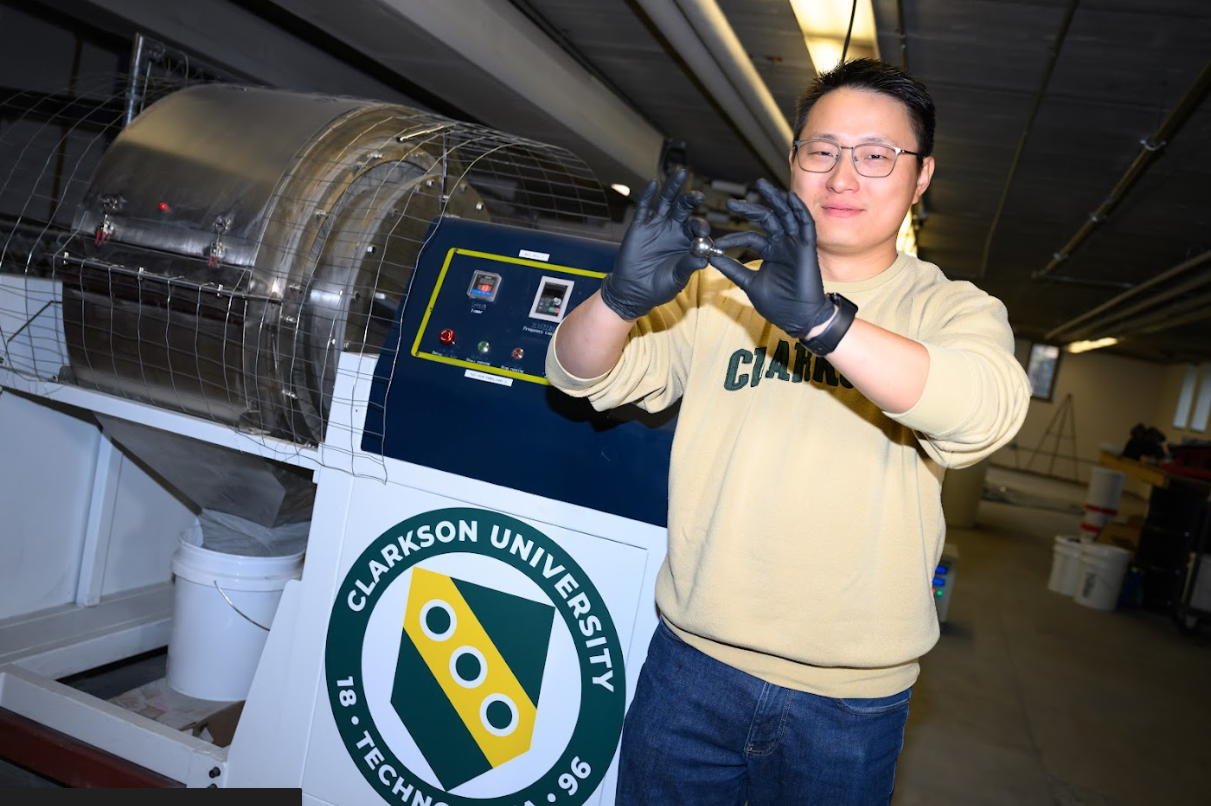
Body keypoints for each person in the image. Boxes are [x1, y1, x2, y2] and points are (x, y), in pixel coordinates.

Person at [545, 58, 1030, 806]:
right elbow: (576, 375)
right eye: (820, 151)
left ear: (921, 175)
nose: (842, 177)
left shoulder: (953, 309)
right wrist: (615, 299)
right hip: (690, 670)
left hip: (849, 701)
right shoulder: (720, 289)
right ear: (793, 160)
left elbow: (984, 415)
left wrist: (821, 323)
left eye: (875, 156)